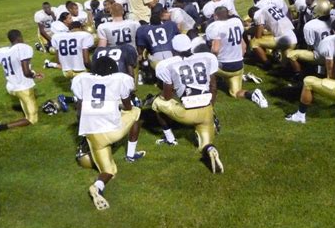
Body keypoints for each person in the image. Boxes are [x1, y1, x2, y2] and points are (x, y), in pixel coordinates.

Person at [71, 56, 145, 210]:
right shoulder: (120, 79)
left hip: (92, 134)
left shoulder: (81, 80)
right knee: (136, 112)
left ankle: (97, 186)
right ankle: (131, 154)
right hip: (113, 131)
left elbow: (79, 109)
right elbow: (128, 107)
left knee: (109, 171)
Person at [151, 34, 224, 173]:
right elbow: (213, 87)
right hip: (207, 109)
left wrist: (159, 96)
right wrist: (211, 108)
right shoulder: (207, 58)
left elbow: (167, 96)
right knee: (205, 144)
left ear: (174, 48)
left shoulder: (167, 64)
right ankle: (210, 149)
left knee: (157, 103)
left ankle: (170, 138)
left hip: (187, 113)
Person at [0, 30, 42, 140]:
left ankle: (24, 107)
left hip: (11, 86)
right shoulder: (23, 48)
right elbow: (26, 72)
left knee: (26, 103)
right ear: (19, 37)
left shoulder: (2, 51)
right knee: (32, 119)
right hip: (23, 88)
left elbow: (15, 66)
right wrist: (33, 75)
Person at [205, 6, 268, 108]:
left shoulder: (215, 27)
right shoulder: (236, 22)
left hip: (224, 67)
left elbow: (215, 49)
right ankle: (252, 94)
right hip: (238, 66)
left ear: (215, 16)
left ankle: (202, 90)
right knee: (235, 93)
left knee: (204, 65)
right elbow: (243, 46)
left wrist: (212, 61)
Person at [249, 0, 297, 70]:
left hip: (283, 39)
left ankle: (267, 64)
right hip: (292, 36)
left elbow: (258, 36)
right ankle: (297, 72)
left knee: (254, 42)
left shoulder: (257, 14)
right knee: (284, 64)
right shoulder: (271, 5)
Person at [288, 0, 332, 78]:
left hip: (320, 56)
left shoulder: (310, 25)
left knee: (291, 54)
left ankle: (299, 75)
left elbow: (310, 46)